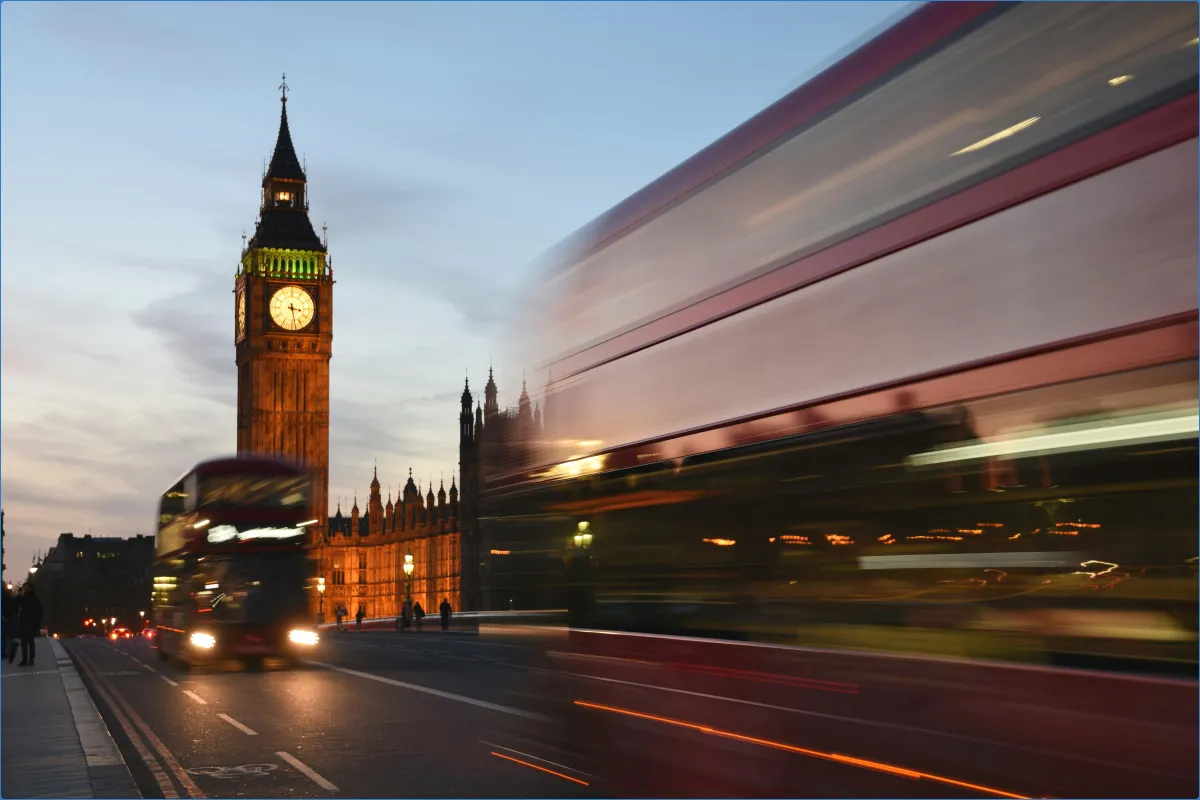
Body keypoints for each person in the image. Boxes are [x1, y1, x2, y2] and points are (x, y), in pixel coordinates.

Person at [17, 585, 43, 667]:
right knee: (25, 642)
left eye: (26, 587)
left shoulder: (33, 598)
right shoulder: (25, 596)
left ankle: (29, 659)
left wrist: (36, 620)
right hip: (25, 622)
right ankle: (26, 659)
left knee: (29, 642)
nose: (25, 588)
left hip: (30, 623)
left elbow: (39, 610)